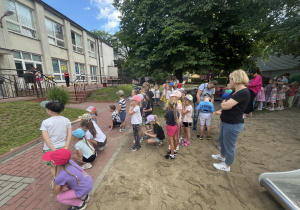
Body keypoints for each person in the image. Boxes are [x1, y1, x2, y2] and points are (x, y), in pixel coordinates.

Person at [212, 69, 250, 172]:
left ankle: (227, 165)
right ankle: (222, 156)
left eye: (230, 78)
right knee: (222, 140)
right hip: (226, 121)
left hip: (233, 123)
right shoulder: (235, 91)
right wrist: (225, 104)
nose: (229, 80)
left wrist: (225, 104)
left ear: (235, 79)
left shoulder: (243, 92)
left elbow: (226, 104)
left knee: (229, 145)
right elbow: (224, 103)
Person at [40, 100, 72, 176]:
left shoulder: (45, 122)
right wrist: (66, 146)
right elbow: (69, 134)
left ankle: (56, 182)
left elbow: (45, 138)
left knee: (53, 166)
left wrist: (54, 151)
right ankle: (64, 182)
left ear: (50, 111)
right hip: (63, 147)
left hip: (50, 149)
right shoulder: (66, 120)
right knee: (63, 166)